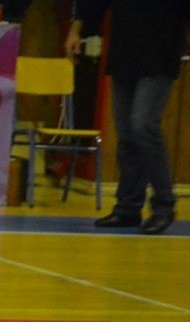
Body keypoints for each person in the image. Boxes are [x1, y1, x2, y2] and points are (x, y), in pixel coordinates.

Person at [65, 0, 189, 235]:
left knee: (143, 125)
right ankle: (128, 208)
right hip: (124, 50)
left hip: (161, 52)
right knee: (126, 133)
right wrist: (76, 29)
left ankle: (164, 205)